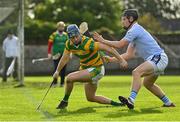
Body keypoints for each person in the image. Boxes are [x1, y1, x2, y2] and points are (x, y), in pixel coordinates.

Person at [93, 9, 175, 109]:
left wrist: (102, 40)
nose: (122, 22)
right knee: (148, 84)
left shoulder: (134, 30)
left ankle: (131, 100)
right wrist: (112, 59)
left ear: (131, 19)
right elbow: (129, 54)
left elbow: (119, 44)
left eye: (123, 19)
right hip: (157, 59)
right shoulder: (134, 32)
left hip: (158, 58)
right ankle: (168, 103)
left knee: (136, 72)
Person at [53, 24, 128, 109]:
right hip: (87, 70)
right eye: (72, 38)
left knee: (69, 78)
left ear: (79, 34)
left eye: (76, 36)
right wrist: (57, 71)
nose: (75, 39)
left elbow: (108, 48)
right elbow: (65, 58)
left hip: (97, 70)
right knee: (91, 98)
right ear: (69, 38)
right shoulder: (69, 44)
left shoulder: (89, 43)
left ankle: (64, 101)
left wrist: (121, 60)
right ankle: (119, 104)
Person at [48, 21, 69, 87]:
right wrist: (49, 53)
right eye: (60, 26)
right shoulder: (53, 35)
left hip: (64, 55)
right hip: (56, 54)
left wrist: (70, 53)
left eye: (62, 26)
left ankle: (62, 83)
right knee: (56, 68)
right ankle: (55, 83)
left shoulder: (66, 35)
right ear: (57, 27)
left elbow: (69, 45)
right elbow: (49, 44)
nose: (61, 28)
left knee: (63, 69)